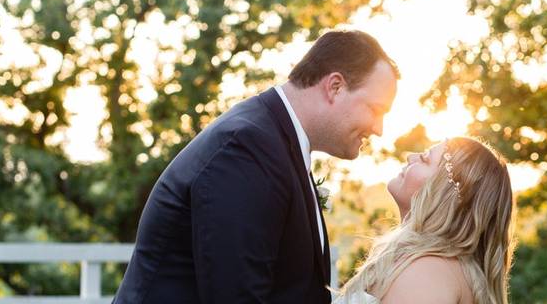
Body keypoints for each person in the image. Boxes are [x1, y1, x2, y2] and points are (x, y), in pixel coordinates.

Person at [113, 29, 399, 304]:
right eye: (375, 110)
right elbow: (236, 297)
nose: (379, 129)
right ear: (335, 86)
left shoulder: (274, 141)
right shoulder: (247, 148)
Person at [335, 136, 514, 304]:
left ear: (444, 192)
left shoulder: (427, 272)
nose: (410, 157)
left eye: (425, 159)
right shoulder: (435, 266)